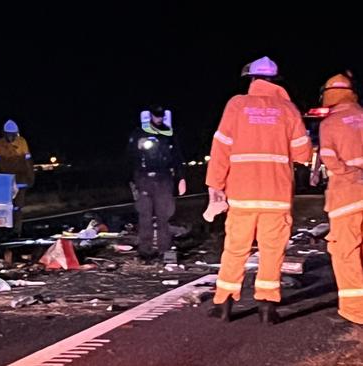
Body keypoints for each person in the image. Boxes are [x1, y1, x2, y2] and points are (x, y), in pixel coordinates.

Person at [206, 56, 312, 323]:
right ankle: (267, 307)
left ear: (251, 79)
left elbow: (220, 148)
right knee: (272, 249)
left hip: (242, 193)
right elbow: (303, 153)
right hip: (276, 195)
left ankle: (224, 304)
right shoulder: (288, 109)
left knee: (235, 248)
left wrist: (215, 186)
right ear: (277, 82)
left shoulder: (236, 105)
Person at [317, 72, 363, 325]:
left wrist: (352, 173)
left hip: (346, 198)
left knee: (346, 253)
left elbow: (330, 160)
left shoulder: (330, 123)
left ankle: (355, 311)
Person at [128, 105, 186, 261]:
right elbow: (130, 157)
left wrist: (181, 178)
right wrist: (131, 180)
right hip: (144, 178)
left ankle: (164, 249)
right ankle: (145, 251)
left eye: (161, 116)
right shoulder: (139, 133)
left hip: (164, 178)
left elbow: (177, 157)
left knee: (164, 215)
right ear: (150, 116)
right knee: (145, 215)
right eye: (155, 116)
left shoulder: (169, 134)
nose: (158, 119)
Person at [0, 119, 35, 236]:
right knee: (7, 206)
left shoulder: (22, 142)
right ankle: (6, 229)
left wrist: (31, 176)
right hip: (6, 180)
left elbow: (28, 160)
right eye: (8, 135)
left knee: (18, 207)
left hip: (20, 179)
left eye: (13, 135)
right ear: (4, 134)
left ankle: (16, 230)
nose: (11, 137)